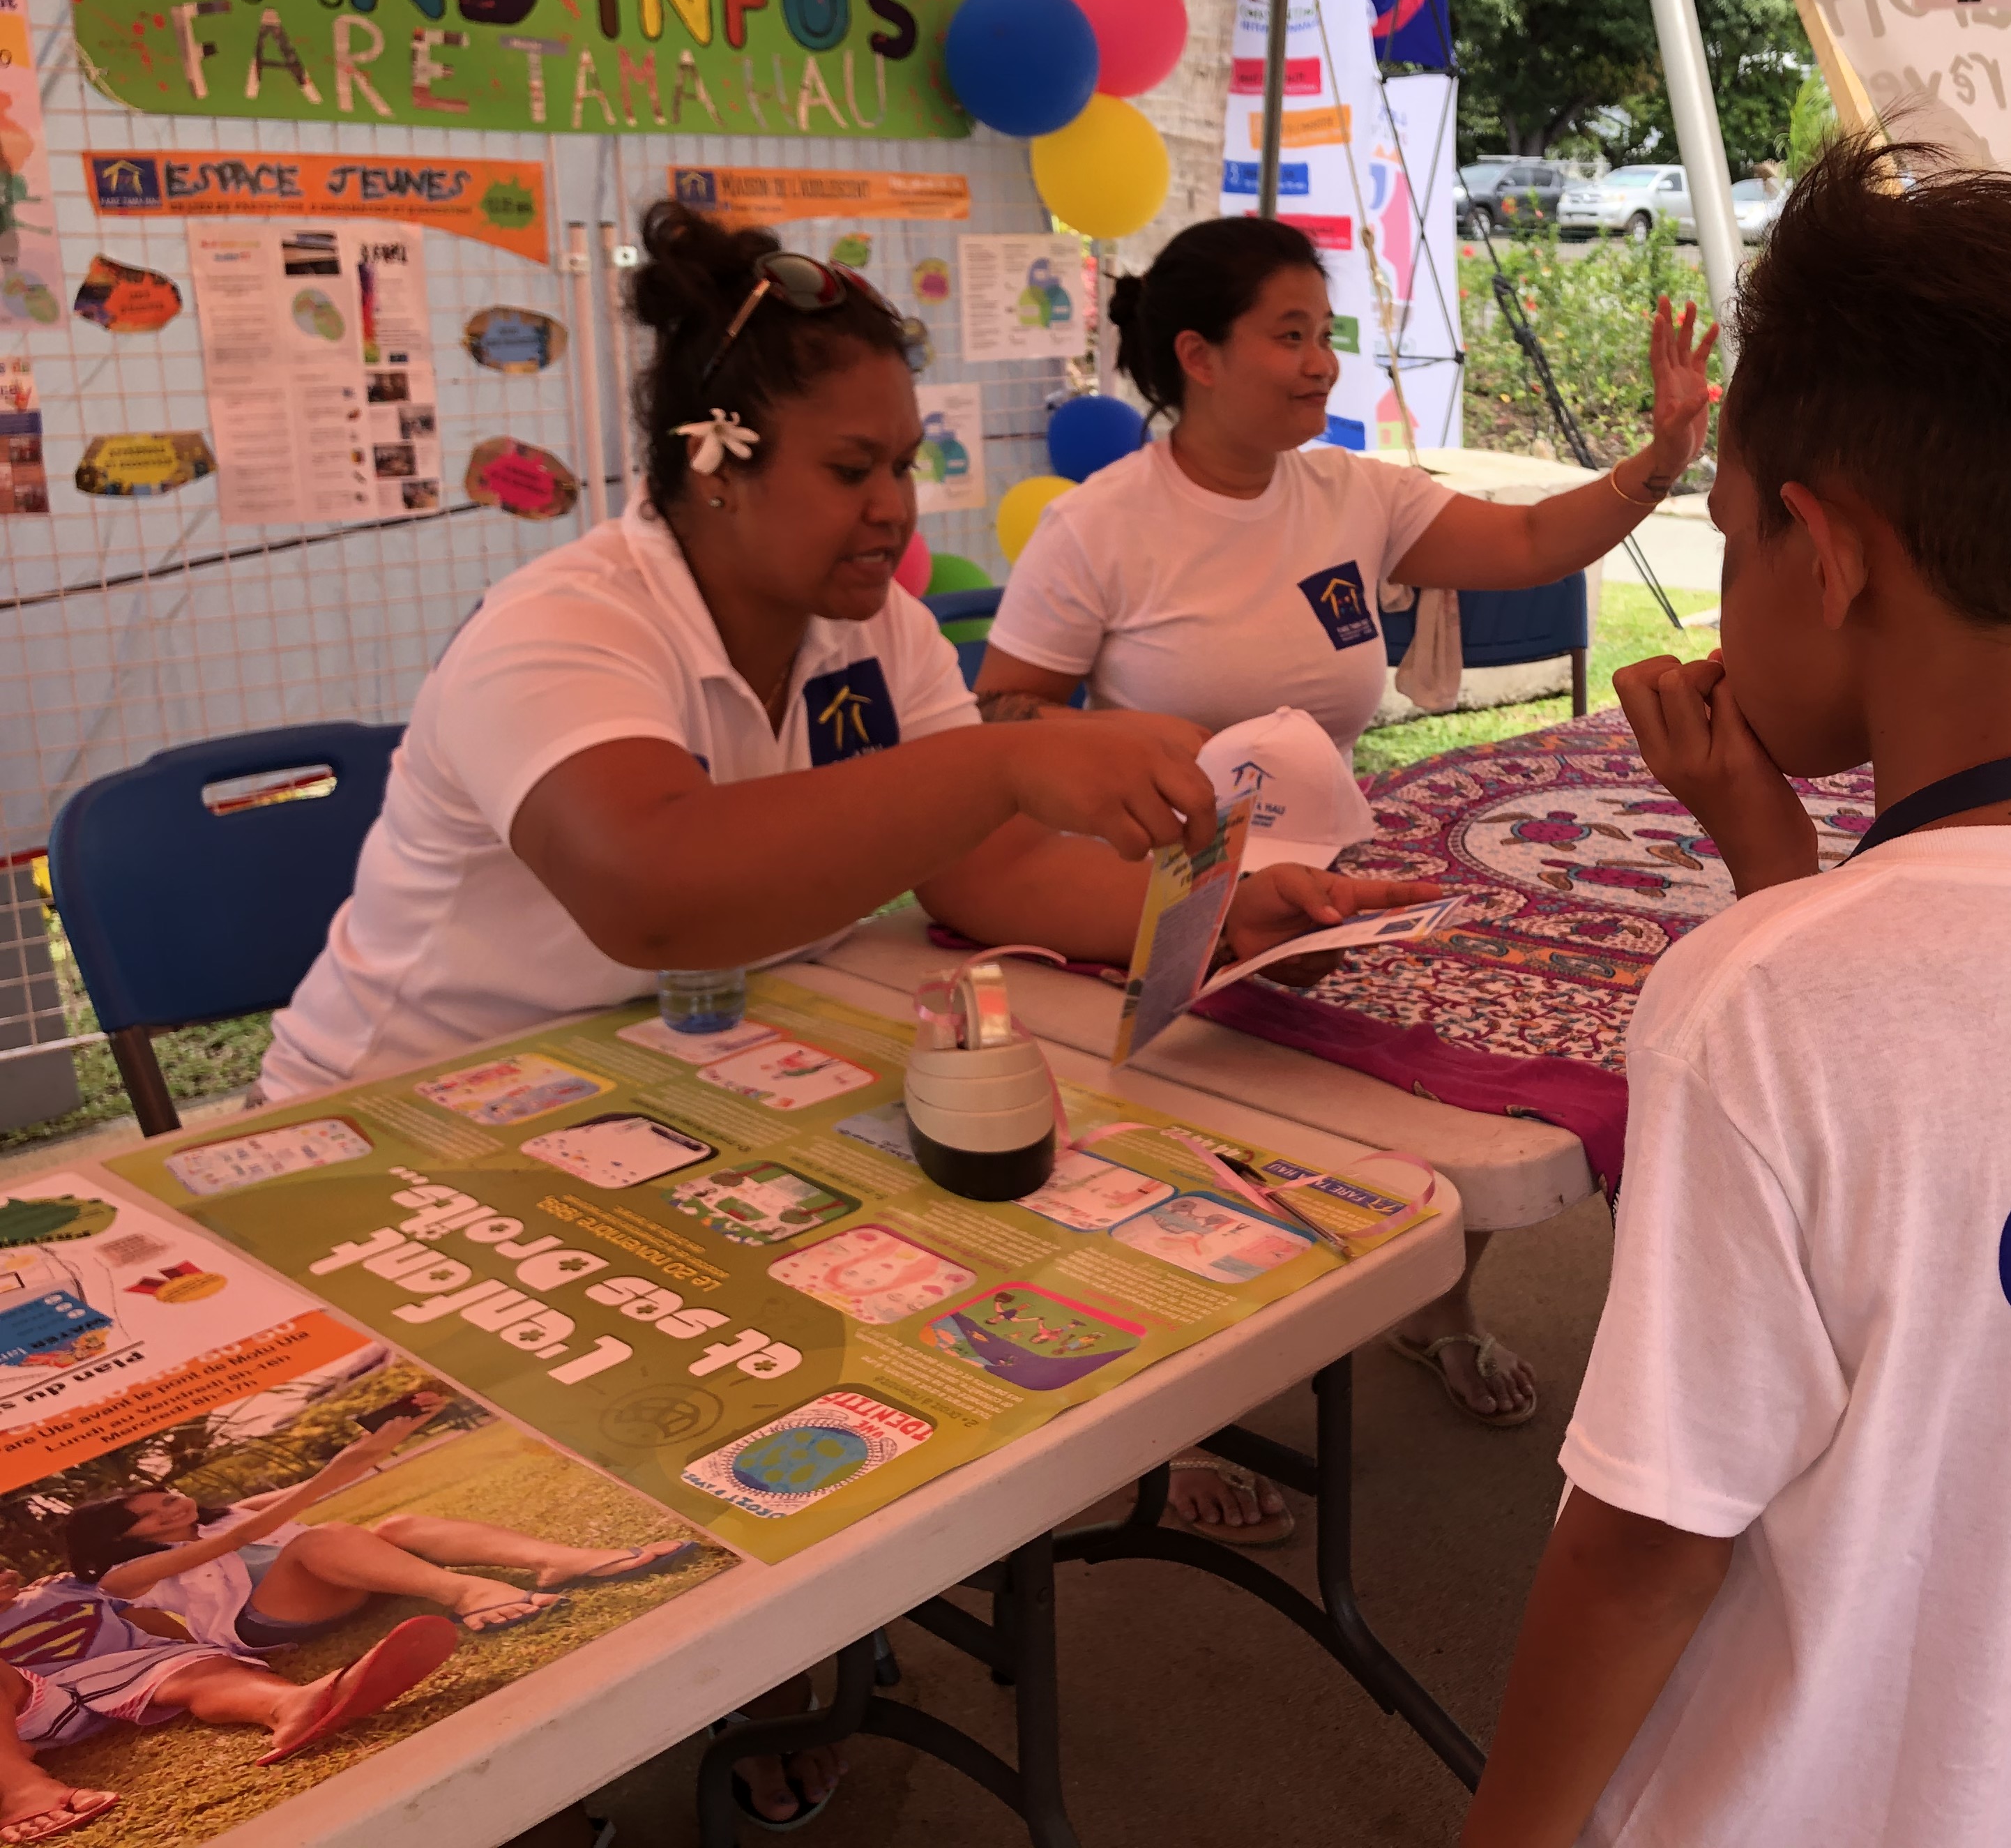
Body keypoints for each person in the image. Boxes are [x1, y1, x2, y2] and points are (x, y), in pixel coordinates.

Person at [255, 200, 1429, 1817]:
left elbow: (996, 868)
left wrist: (1207, 913)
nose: (895, 512)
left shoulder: (866, 626)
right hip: (394, 1141)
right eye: (850, 469)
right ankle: (679, 1692)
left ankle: (794, 1656)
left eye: (905, 464)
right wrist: (1000, 756)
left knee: (947, 1266)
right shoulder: (569, 626)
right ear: (716, 461)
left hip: (649, 1098)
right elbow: (655, 889)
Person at [1459, 136, 2011, 1847]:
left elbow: (1653, 1539)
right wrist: (1760, 839)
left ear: (1826, 549)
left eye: (1731, 538)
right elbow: (1929, 1172)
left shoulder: (1757, 1003)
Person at [976, 215, 1719, 1455]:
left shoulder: (1352, 491)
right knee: (1201, 1141)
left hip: (1323, 873)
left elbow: (1531, 541)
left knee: (1450, 1056)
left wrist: (1658, 458)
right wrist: (1135, 758)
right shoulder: (1101, 525)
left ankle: (1437, 1300)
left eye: (1326, 335)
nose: (1321, 363)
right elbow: (1007, 711)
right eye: (1290, 336)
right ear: (1198, 355)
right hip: (1161, 889)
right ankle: (1186, 1419)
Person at [63, 1407, 691, 1647]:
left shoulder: (230, 1515)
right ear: (124, 1537)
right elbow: (244, 1539)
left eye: (170, 1494)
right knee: (317, 1538)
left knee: (397, 1522)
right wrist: (332, 1476)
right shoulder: (125, 1576)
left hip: (338, 1584)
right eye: (157, 1512)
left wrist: (399, 1428)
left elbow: (338, 1478)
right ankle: (465, 1592)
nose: (177, 1506)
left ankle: (562, 1559)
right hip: (271, 1623)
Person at [0, 1564, 457, 1837]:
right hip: (24, 1704)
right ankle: (19, 1788)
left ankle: (290, 1706)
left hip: (125, 1668)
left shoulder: (64, 1588)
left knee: (195, 1669)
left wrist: (206, 1655)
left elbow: (150, 1621)